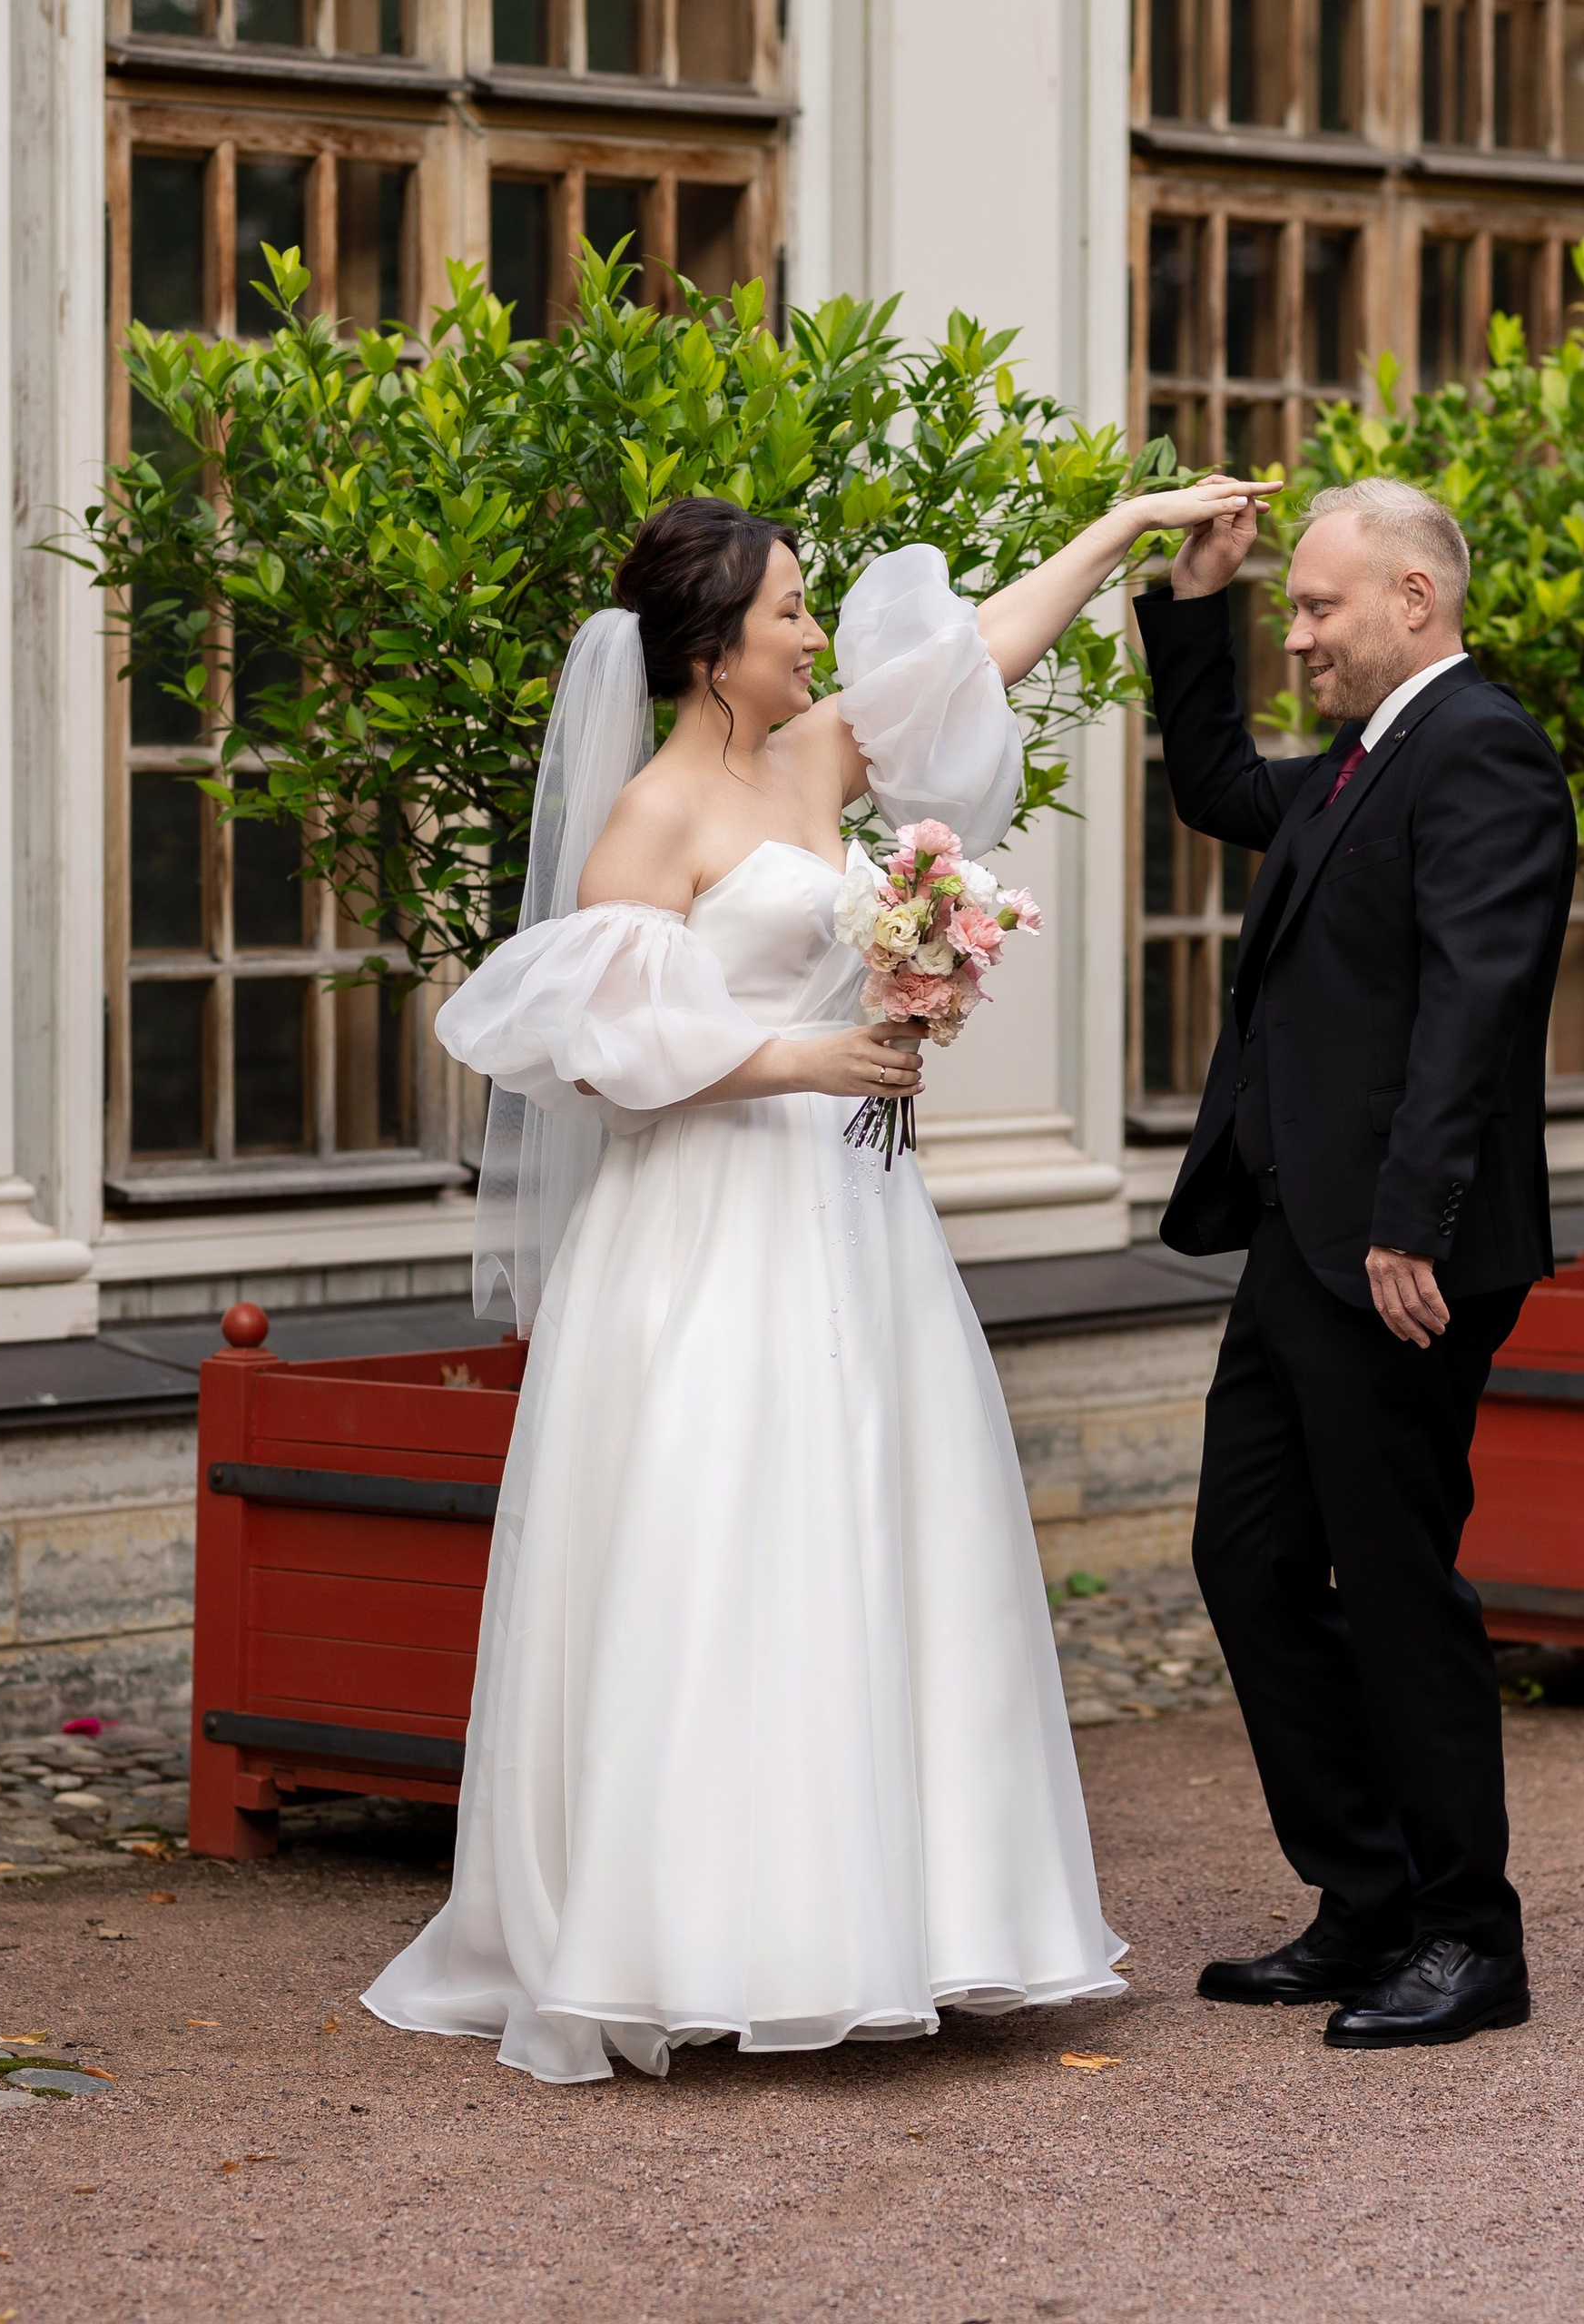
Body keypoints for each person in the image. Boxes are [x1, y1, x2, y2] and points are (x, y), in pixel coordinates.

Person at [365, 478, 1274, 2084]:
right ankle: (702, 1932)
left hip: (855, 1219)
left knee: (880, 1534)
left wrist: (1125, 529)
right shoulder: (654, 817)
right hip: (710, 1226)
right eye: (790, 608)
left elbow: (983, 650)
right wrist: (808, 1052)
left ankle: (904, 1919)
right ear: (716, 649)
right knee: (726, 1546)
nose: (812, 629)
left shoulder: (823, 753)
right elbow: (602, 1051)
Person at [1133, 476, 1577, 2051]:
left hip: (1403, 1252)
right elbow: (1207, 789)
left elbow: (1479, 1002)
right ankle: (1367, 1896)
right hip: (1300, 1238)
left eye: (1318, 608)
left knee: (1395, 1587)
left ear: (1414, 599)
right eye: (1291, 610)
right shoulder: (1357, 768)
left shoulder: (1487, 753)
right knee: (1249, 1560)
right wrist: (1195, 599)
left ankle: (1471, 1935)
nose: (1299, 636)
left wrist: (1411, 1219)